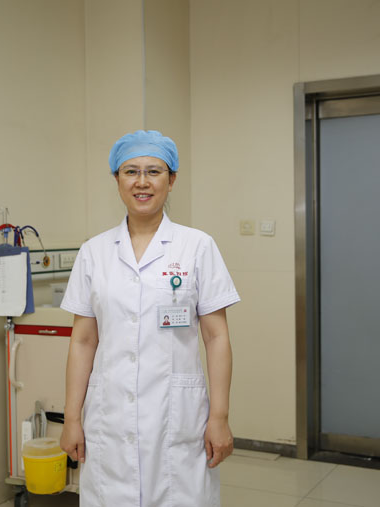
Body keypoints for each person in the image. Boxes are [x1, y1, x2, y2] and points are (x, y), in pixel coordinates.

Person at [60, 130, 240, 506]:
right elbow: (83, 340)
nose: (142, 182)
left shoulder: (197, 247)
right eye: (131, 171)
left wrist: (219, 416)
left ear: (171, 180)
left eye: (154, 171)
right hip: (109, 415)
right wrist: (72, 417)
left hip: (177, 415)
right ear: (117, 180)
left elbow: (216, 337)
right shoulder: (94, 252)